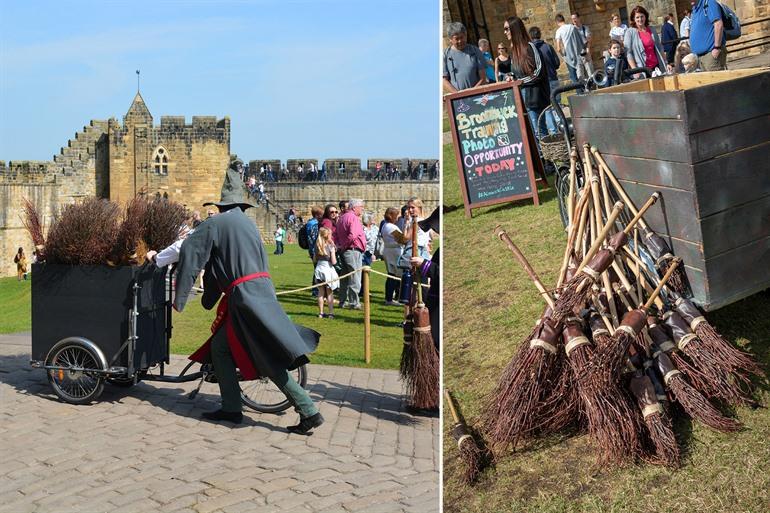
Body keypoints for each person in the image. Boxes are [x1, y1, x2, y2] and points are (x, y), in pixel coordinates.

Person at [172, 168, 323, 433]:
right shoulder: (248, 225)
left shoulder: (216, 223)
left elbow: (190, 250)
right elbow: (220, 265)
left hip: (245, 299)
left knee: (264, 355)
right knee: (221, 349)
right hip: (258, 293)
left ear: (221, 204)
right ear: (240, 203)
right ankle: (231, 407)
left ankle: (307, 409)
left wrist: (180, 295)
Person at [505, 16, 551, 139]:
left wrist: (519, 82)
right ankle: (540, 157)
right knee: (530, 133)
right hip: (522, 99)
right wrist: (511, 77)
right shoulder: (514, 51)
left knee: (539, 131)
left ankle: (546, 157)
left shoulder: (530, 47)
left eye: (507, 29)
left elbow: (539, 72)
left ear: (515, 30)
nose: (505, 32)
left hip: (535, 98)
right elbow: (517, 73)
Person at [409, 207, 440, 349]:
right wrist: (419, 267)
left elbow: (440, 273)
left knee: (436, 340)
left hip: (439, 302)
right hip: (435, 299)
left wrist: (424, 264)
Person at [335, 198, 366, 310]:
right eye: (361, 207)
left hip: (345, 250)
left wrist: (340, 246)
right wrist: (345, 245)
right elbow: (353, 235)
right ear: (354, 207)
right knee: (354, 277)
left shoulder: (342, 218)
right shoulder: (353, 218)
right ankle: (354, 302)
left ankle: (342, 301)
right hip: (352, 250)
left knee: (344, 277)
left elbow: (336, 235)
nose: (362, 209)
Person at [529, 26, 560, 135]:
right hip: (553, 79)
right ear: (540, 34)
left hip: (542, 83)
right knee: (558, 106)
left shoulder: (531, 51)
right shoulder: (548, 47)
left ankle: (554, 132)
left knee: (547, 108)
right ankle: (562, 129)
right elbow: (557, 63)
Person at [624, 5, 670, 76]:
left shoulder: (652, 29)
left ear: (645, 16)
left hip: (656, 67)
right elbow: (628, 53)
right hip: (642, 70)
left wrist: (666, 63)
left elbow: (660, 48)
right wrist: (635, 70)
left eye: (642, 16)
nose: (640, 19)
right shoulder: (629, 32)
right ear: (633, 19)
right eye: (637, 17)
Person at [443, 22, 486, 93]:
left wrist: (470, 94)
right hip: (457, 100)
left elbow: (483, 78)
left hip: (477, 96)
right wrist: (458, 95)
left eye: (462, 37)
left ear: (466, 36)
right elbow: (444, 80)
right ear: (450, 39)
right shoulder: (445, 54)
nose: (460, 41)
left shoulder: (475, 51)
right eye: (457, 39)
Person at [690, 0, 727, 71]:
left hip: (711, 55)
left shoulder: (709, 2)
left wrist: (717, 48)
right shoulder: (695, 8)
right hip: (700, 57)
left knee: (717, 81)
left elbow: (718, 24)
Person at [313, 227, 339, 319]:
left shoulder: (317, 245)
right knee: (329, 292)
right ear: (327, 235)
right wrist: (333, 252)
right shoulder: (330, 246)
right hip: (328, 269)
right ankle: (330, 313)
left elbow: (315, 259)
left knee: (320, 292)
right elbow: (334, 261)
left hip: (319, 269)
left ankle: (321, 313)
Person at [380, 207, 404, 306]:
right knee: (395, 275)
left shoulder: (385, 225)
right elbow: (402, 239)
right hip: (394, 251)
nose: (397, 218)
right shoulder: (391, 227)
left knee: (392, 275)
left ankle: (390, 297)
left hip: (389, 250)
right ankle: (393, 298)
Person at [554, 13, 586, 82]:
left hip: (568, 56)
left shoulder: (559, 31)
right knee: (581, 75)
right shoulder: (572, 27)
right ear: (563, 20)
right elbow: (581, 41)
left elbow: (558, 48)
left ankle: (579, 92)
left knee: (573, 76)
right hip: (577, 54)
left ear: (557, 22)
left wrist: (563, 56)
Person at [306, 206, 323, 298]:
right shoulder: (314, 224)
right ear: (317, 215)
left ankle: (316, 290)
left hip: (312, 249)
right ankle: (316, 290)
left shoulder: (310, 223)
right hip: (315, 250)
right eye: (321, 214)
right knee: (318, 270)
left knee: (317, 270)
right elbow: (315, 238)